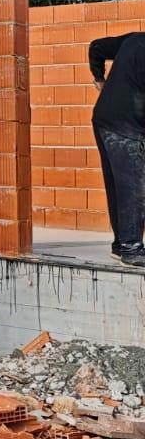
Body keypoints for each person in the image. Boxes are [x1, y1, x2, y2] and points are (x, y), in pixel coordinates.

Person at [89, 32, 145, 266]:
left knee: (118, 184)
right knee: (134, 186)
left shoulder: (136, 39)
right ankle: (131, 248)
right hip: (125, 125)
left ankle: (121, 244)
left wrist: (100, 80)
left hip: (103, 118)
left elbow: (97, 46)